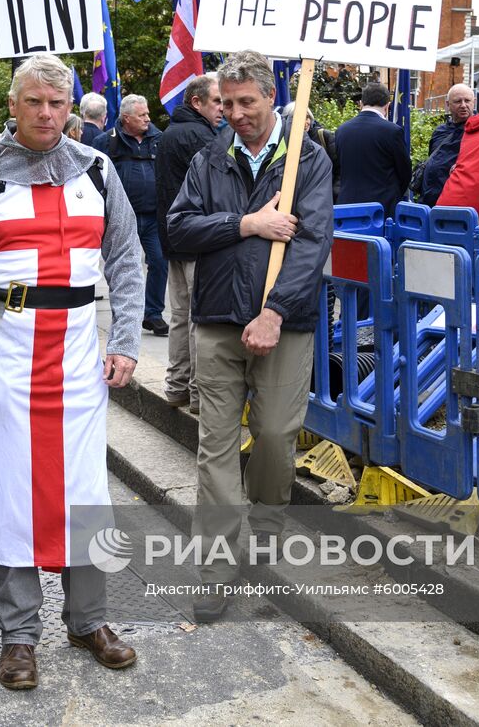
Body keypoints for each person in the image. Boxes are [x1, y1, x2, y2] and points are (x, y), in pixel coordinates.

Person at [0, 53, 145, 691]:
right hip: (1, 355)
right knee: (11, 492)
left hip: (76, 354)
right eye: (36, 102)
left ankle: (89, 620)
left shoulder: (98, 169)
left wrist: (125, 338)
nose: (48, 114)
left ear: (72, 108)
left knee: (86, 492)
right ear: (13, 106)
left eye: (59, 103)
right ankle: (18, 636)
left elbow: (126, 254)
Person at [166, 49, 333, 623]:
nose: (235, 113)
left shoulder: (306, 159)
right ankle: (215, 569)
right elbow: (178, 227)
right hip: (216, 322)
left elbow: (312, 245)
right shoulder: (209, 160)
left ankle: (261, 540)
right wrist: (246, 223)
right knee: (214, 449)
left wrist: (276, 311)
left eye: (246, 102)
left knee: (274, 435)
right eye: (226, 102)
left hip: (283, 325)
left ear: (270, 97)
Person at [154, 73, 222, 413]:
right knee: (199, 319)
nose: (223, 109)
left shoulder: (170, 132)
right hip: (196, 239)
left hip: (174, 238)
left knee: (181, 316)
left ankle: (177, 386)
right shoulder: (200, 135)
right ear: (197, 102)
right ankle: (197, 394)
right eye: (217, 101)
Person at [94, 94, 168, 336]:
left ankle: (153, 314)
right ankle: (124, 315)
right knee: (126, 268)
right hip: (123, 218)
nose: (148, 118)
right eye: (142, 115)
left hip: (153, 217)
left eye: (147, 114)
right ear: (126, 118)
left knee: (158, 262)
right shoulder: (106, 142)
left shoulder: (158, 139)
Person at [335, 83, 411, 217]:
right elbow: (405, 172)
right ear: (387, 106)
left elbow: (340, 167)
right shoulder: (392, 131)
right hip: (381, 208)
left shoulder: (341, 130)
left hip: (347, 207)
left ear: (361, 103)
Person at [415, 84, 474, 206]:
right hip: (430, 197)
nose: (463, 105)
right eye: (458, 101)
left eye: (467, 101)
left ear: (474, 102)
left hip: (457, 201)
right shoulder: (440, 131)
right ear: (448, 104)